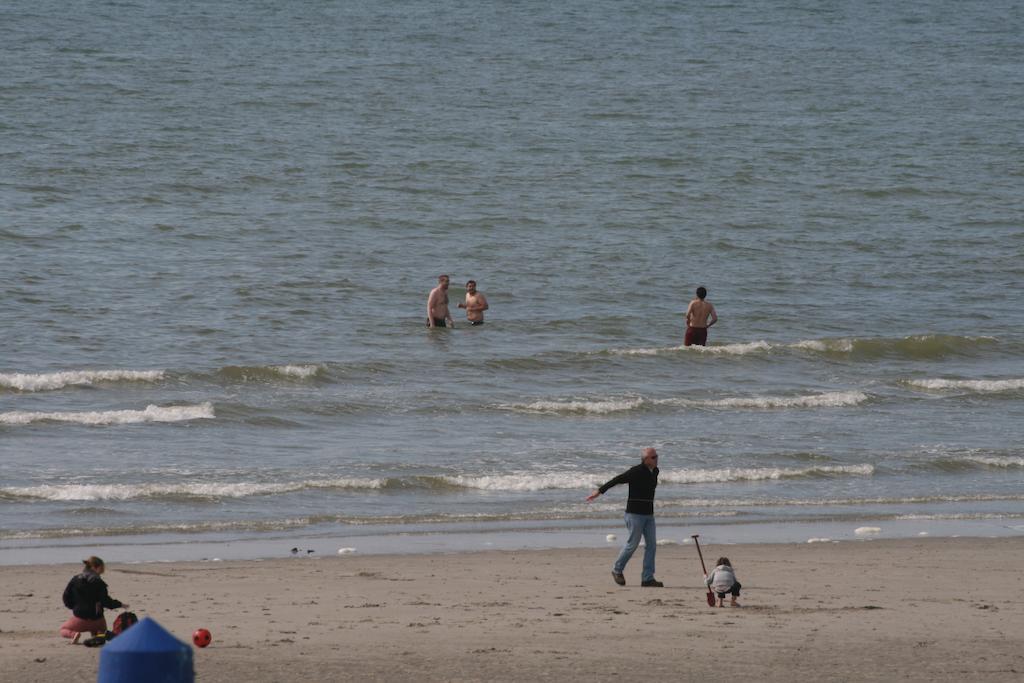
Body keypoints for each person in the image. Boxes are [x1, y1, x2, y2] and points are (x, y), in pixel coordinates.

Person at [586, 447, 663, 587]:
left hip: (648, 515)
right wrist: (599, 491)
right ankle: (617, 570)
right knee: (632, 544)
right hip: (634, 515)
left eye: (656, 456)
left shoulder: (655, 471)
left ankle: (647, 578)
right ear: (646, 460)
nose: (656, 459)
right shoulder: (636, 471)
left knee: (651, 545)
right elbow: (617, 479)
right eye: (653, 457)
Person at [60, 556, 129, 643]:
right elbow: (106, 601)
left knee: (63, 629)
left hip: (80, 618)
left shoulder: (75, 580)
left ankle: (74, 634)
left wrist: (75, 607)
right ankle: (100, 635)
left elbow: (66, 597)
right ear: (96, 567)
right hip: (97, 620)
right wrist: (120, 604)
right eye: (102, 568)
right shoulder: (99, 583)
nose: (102, 571)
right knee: (100, 632)